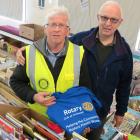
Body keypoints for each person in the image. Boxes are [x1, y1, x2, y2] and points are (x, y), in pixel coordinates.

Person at [14, 1, 133, 139]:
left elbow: (125, 85)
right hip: (73, 109)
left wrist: (120, 112)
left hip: (99, 110)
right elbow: (55, 40)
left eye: (114, 20)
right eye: (104, 18)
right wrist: (27, 49)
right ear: (98, 17)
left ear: (120, 22)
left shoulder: (124, 52)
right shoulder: (81, 39)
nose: (108, 23)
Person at [10, 6, 91, 117]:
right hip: (38, 117)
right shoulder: (28, 53)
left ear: (68, 31)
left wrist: (84, 116)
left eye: (61, 25)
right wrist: (33, 96)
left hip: (68, 117)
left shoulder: (80, 54)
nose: (56, 29)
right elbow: (16, 82)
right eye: (52, 24)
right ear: (45, 29)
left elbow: (85, 90)